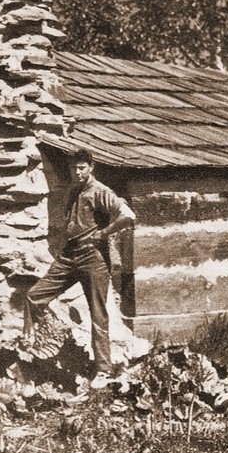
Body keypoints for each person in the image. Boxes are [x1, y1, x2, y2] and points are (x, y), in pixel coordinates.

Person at [27, 148, 135, 389]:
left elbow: (127, 215)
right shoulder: (73, 191)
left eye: (82, 168)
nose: (77, 172)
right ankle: (33, 351)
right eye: (73, 168)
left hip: (93, 258)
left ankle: (103, 371)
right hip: (69, 255)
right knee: (34, 297)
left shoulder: (100, 191)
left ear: (91, 167)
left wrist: (104, 233)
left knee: (98, 315)